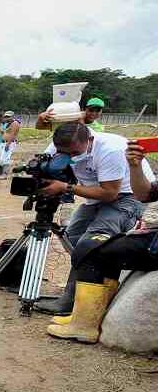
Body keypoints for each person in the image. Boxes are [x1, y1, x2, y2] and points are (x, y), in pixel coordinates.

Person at [46, 140, 157, 342]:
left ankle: (83, 325)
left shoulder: (108, 149)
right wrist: (135, 166)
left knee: (92, 249)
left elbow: (116, 194)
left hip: (154, 243)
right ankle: (87, 315)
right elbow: (144, 194)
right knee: (102, 248)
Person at [34, 122, 146, 316]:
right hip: (95, 197)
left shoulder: (111, 149)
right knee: (72, 237)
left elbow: (110, 193)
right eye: (65, 154)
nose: (70, 157)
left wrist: (66, 187)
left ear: (90, 140)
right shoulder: (62, 146)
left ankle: (71, 303)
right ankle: (95, 284)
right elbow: (44, 166)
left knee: (91, 243)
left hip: (128, 196)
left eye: (75, 153)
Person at [0, 111, 21, 179]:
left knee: (5, 159)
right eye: (6, 116)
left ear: (12, 116)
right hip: (5, 142)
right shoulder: (9, 123)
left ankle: (5, 174)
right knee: (2, 159)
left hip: (9, 142)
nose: (6, 118)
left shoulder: (15, 123)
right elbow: (6, 133)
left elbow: (13, 134)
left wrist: (8, 144)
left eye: (8, 117)